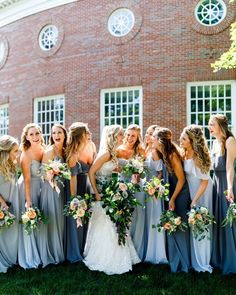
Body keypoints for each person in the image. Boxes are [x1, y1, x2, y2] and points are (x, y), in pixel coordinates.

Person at [83, 125, 140, 275]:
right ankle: (105, 257)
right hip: (103, 194)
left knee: (114, 224)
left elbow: (114, 170)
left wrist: (133, 169)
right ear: (113, 136)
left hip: (112, 192)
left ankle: (119, 254)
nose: (123, 137)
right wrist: (96, 193)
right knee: (107, 225)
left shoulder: (113, 153)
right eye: (121, 134)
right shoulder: (106, 153)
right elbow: (91, 173)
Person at [152, 127, 191, 273]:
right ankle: (175, 262)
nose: (151, 140)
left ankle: (183, 264)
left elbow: (181, 180)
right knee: (171, 226)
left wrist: (173, 199)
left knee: (179, 226)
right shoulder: (163, 154)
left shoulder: (173, 155)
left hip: (180, 193)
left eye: (154, 137)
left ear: (160, 140)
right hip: (171, 193)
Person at [180, 125, 213, 273]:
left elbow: (205, 181)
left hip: (201, 192)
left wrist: (195, 201)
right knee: (193, 225)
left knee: (201, 224)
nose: (181, 139)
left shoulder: (198, 158)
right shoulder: (184, 152)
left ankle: (202, 261)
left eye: (184, 138)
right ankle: (193, 259)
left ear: (192, 141)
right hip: (191, 191)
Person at [208, 114, 236, 274]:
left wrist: (230, 188)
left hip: (227, 184)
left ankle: (231, 261)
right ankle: (219, 259)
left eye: (212, 124)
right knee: (219, 221)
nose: (209, 127)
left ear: (220, 126)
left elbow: (229, 167)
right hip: (216, 184)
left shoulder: (230, 141)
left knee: (229, 222)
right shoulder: (214, 143)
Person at [65, 122, 95, 262]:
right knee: (76, 218)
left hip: (87, 187)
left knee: (86, 218)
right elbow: (73, 179)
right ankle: (75, 250)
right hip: (76, 189)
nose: (89, 133)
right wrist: (74, 200)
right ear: (80, 135)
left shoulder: (90, 146)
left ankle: (85, 247)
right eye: (86, 132)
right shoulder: (73, 154)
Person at [39, 124, 67, 267]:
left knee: (60, 219)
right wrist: (52, 175)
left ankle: (59, 249)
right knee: (52, 219)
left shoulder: (65, 150)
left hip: (61, 189)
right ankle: (52, 253)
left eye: (59, 132)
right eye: (53, 133)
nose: (56, 135)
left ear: (64, 134)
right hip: (50, 188)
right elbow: (43, 173)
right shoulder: (49, 151)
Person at [116, 124, 146, 260]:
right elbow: (113, 168)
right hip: (122, 185)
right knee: (123, 215)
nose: (129, 137)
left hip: (136, 186)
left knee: (137, 215)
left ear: (138, 137)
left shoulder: (140, 151)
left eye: (133, 135)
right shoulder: (118, 150)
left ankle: (137, 249)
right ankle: (123, 248)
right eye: (128, 134)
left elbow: (143, 172)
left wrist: (137, 173)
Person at [18, 123, 45, 269]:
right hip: (28, 188)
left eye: (37, 133)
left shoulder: (44, 149)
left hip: (42, 187)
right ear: (27, 137)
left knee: (41, 218)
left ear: (41, 134)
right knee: (31, 216)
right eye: (31, 134)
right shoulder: (26, 154)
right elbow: (27, 179)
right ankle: (30, 255)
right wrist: (28, 201)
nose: (35, 137)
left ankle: (41, 251)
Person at [143, 125, 168, 264]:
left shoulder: (156, 152)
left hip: (154, 190)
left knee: (155, 218)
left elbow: (160, 173)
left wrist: (153, 186)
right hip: (146, 187)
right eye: (147, 133)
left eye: (151, 134)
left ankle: (157, 253)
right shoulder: (147, 150)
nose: (148, 136)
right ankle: (149, 249)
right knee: (149, 218)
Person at [0, 135, 19, 273]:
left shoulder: (13, 164)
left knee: (9, 231)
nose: (17, 154)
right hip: (2, 203)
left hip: (11, 202)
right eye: (15, 151)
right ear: (6, 152)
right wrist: (3, 204)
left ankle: (11, 258)